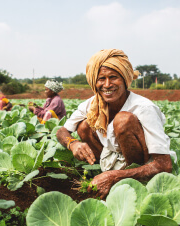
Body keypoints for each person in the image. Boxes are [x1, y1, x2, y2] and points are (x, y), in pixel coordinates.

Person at [56, 49, 173, 199]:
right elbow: (61, 131)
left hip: (142, 167)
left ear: (125, 79)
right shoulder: (92, 104)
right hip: (110, 157)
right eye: (101, 78)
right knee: (83, 126)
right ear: (94, 81)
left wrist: (114, 177)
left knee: (123, 121)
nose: (107, 84)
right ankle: (103, 176)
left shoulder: (144, 108)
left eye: (113, 77)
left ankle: (127, 182)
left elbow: (163, 165)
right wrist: (73, 143)